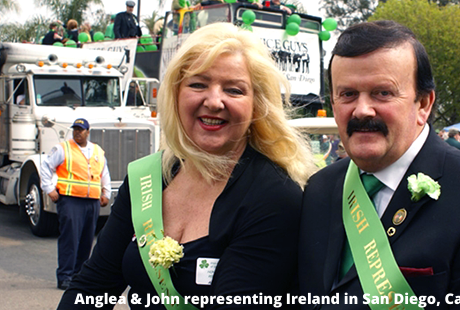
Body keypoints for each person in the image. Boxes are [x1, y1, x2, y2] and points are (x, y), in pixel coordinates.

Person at [58, 23, 314, 309]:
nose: (214, 101)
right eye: (198, 84)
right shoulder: (148, 177)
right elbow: (93, 287)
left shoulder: (274, 196)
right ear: (176, 94)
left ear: (257, 104)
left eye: (234, 90)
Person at [298, 20, 460, 309]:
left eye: (382, 93)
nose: (362, 110)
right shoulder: (318, 188)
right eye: (348, 94)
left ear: (423, 104)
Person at [40, 118, 111, 290]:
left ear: (88, 132)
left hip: (91, 202)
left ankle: (79, 275)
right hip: (70, 200)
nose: (77, 132)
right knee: (70, 239)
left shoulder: (97, 151)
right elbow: (46, 166)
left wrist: (106, 192)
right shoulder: (63, 149)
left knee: (86, 240)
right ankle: (65, 276)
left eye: (81, 130)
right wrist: (49, 188)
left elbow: (104, 172)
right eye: (75, 129)